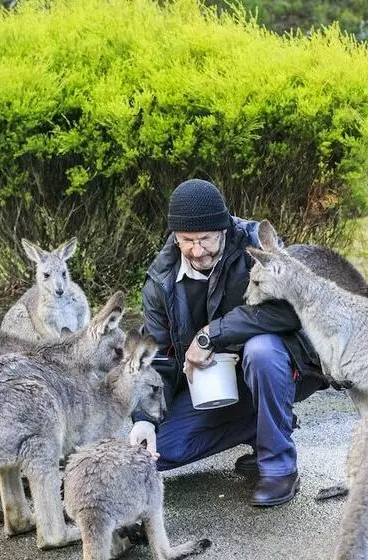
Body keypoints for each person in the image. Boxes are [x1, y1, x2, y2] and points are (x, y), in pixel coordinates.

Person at [130, 178, 327, 507]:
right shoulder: (159, 282)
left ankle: (278, 465)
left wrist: (211, 335)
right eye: (186, 241)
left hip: (285, 366)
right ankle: (259, 425)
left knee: (261, 350)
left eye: (205, 239)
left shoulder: (256, 245)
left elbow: (293, 311)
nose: (196, 250)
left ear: (223, 229)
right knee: (163, 449)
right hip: (213, 384)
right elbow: (159, 362)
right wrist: (144, 419)